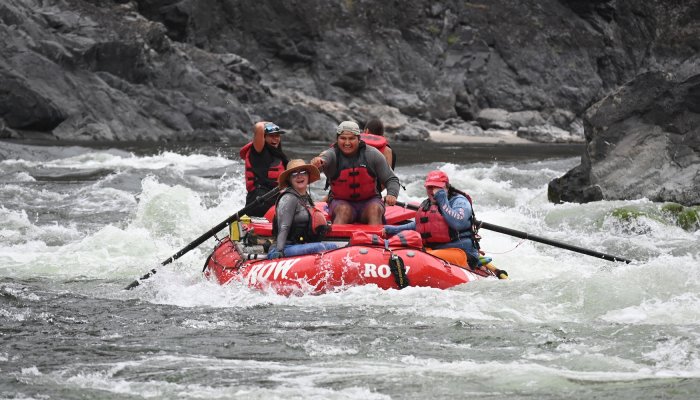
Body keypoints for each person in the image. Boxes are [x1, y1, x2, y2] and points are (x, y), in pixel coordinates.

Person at [382, 170, 483, 270]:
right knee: (406, 252)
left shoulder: (460, 201)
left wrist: (442, 199)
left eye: (438, 187)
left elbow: (457, 223)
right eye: (430, 187)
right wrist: (392, 230)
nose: (433, 191)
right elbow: (419, 225)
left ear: (447, 187)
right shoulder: (427, 204)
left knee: (420, 257)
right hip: (436, 250)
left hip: (462, 252)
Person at [311, 121, 400, 225]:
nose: (347, 143)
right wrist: (317, 164)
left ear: (359, 139)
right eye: (343, 138)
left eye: (351, 138)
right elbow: (320, 163)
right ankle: (337, 240)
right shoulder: (331, 155)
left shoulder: (372, 154)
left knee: (375, 210)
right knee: (343, 210)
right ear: (337, 139)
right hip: (341, 202)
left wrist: (392, 194)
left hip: (370, 201)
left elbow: (391, 179)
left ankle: (375, 240)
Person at [268, 159, 338, 259]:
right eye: (294, 174)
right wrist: (279, 251)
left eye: (303, 172)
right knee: (320, 247)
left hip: (300, 245)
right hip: (285, 248)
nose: (299, 176)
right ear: (289, 179)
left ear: (308, 176)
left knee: (333, 247)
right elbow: (284, 227)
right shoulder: (288, 198)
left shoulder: (306, 198)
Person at [239, 121, 289, 217]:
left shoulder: (279, 156)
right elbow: (258, 127)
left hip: (274, 199)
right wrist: (267, 123)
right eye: (271, 136)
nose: (275, 139)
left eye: (277, 136)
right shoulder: (258, 151)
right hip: (258, 201)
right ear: (264, 138)